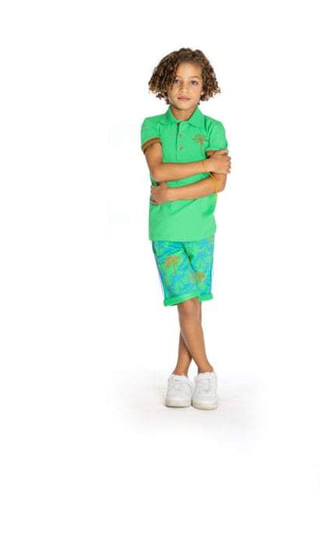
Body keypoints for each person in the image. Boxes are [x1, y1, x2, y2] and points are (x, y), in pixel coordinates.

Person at [140, 47, 232, 410]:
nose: (184, 88)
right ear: (164, 84)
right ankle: (206, 371)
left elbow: (218, 184)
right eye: (177, 80)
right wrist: (207, 164)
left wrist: (172, 193)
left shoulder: (213, 129)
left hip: (202, 228)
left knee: (190, 304)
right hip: (166, 230)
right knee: (187, 302)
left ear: (204, 87)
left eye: (193, 82)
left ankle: (180, 373)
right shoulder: (153, 126)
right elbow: (158, 170)